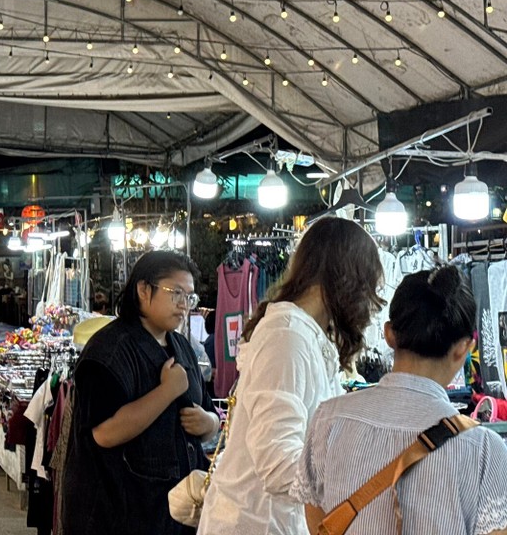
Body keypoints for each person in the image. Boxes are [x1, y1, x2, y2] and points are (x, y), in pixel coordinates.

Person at [197, 217, 384, 535]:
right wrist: (354, 478)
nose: (369, 301)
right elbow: (277, 461)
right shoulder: (287, 336)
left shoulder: (304, 333)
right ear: (347, 278)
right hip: (256, 524)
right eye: (367, 285)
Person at [293, 266, 507, 535]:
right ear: (464, 348)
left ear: (389, 334)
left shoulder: (329, 420)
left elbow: (319, 524)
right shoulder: (485, 450)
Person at [61, 251, 219, 535]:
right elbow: (104, 433)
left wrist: (209, 422)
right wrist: (167, 391)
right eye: (176, 293)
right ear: (144, 290)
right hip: (120, 516)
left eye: (190, 297)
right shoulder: (108, 351)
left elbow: (207, 411)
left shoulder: (182, 347)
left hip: (175, 515)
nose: (184, 305)